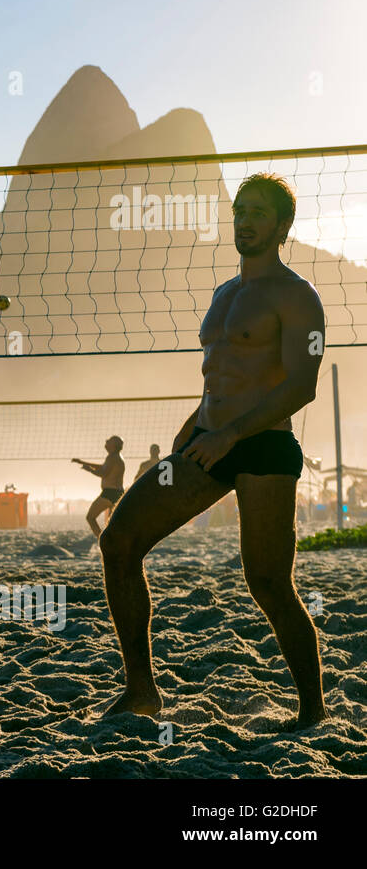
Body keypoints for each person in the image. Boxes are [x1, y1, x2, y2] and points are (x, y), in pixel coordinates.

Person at [99, 173, 327, 729]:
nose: (244, 220)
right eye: (240, 210)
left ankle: (312, 710)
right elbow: (218, 378)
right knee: (120, 541)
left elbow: (301, 385)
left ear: (281, 226)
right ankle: (141, 692)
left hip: (264, 447)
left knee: (268, 582)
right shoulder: (226, 292)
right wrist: (195, 427)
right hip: (206, 444)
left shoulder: (297, 296)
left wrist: (230, 434)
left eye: (257, 213)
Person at [73, 436, 126, 538]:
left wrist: (89, 469)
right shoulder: (117, 457)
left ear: (113, 445)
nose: (106, 441)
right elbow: (103, 467)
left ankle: (102, 540)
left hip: (109, 493)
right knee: (111, 524)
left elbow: (103, 473)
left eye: (109, 441)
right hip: (119, 493)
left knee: (90, 517)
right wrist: (83, 462)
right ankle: (112, 541)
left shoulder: (112, 457)